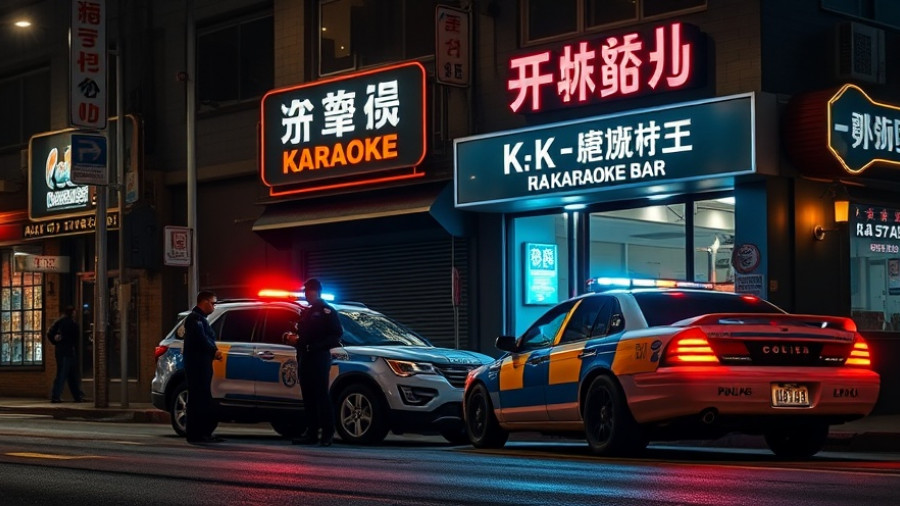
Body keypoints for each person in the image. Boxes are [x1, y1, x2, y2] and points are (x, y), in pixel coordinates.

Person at [284, 278, 343, 446]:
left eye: (307, 292)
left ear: (314, 291)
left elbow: (336, 335)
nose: (305, 295)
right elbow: (303, 334)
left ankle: (327, 433)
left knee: (321, 397)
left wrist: (315, 346)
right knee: (308, 396)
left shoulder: (326, 311)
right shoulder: (307, 312)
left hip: (318, 357)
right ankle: (311, 432)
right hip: (305, 358)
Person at [182, 290, 224, 444]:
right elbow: (201, 339)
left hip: (202, 365)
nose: (214, 307)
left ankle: (203, 433)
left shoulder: (200, 319)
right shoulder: (195, 319)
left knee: (202, 399)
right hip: (197, 366)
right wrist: (214, 351)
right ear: (204, 302)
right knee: (197, 399)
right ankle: (196, 434)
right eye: (213, 303)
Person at [47, 305, 85, 403]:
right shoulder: (69, 323)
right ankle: (56, 396)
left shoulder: (61, 322)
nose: (75, 314)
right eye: (74, 312)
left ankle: (76, 396)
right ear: (72, 313)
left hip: (63, 351)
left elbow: (50, 333)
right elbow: (75, 338)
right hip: (66, 351)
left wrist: (55, 339)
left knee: (69, 374)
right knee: (63, 374)